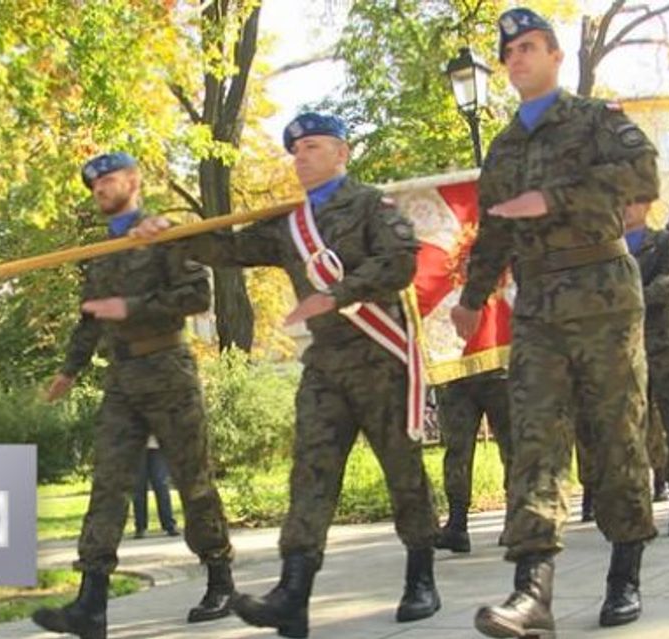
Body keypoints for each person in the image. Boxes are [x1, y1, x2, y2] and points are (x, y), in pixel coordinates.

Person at [135, 112, 441, 637]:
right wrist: (170, 235)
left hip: (378, 357)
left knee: (402, 469)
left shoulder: (372, 205)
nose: (301, 157)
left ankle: (421, 577)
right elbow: (228, 250)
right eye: (296, 150)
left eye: (313, 147)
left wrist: (334, 294)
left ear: (342, 153)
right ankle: (293, 594)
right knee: (310, 473)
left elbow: (400, 263)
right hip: (325, 365)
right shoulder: (288, 224)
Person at [450, 9, 659, 636]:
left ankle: (624, 575)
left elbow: (643, 176)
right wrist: (472, 297)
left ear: (555, 55)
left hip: (603, 297)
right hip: (537, 303)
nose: (516, 58)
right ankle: (532, 594)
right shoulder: (505, 146)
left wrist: (556, 197)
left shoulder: (598, 121)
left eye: (529, 47)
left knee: (616, 436)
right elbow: (493, 228)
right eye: (509, 50)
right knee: (535, 443)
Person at [33, 152, 236, 639]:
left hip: (168, 369)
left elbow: (196, 297)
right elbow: (90, 317)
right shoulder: (100, 252)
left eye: (107, 178)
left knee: (193, 480)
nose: (99, 187)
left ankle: (220, 578)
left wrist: (130, 306)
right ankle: (91, 603)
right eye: (94, 183)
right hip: (122, 380)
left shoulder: (164, 232)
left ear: (133, 180)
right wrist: (69, 370)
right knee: (108, 484)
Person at [625, 204, 669, 537]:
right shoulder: (607, 245)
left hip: (665, 346)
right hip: (625, 350)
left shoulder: (665, 244)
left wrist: (631, 295)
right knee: (632, 431)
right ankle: (638, 508)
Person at [434, 368, 512, 553]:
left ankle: (516, 519)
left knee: (513, 449)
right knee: (456, 450)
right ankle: (457, 524)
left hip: (500, 369)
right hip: (456, 371)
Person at [132, 436, 180, 539]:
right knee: (139, 487)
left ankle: (169, 525)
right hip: (136, 445)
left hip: (157, 445)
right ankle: (140, 527)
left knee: (161, 484)